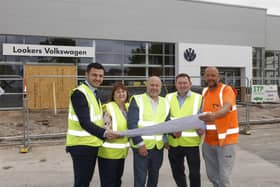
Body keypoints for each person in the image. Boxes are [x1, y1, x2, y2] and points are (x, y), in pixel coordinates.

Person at [65, 62, 119, 187]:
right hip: (81, 146)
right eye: (94, 75)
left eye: (101, 76)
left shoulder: (94, 93)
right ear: (86, 75)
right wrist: (105, 133)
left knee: (85, 180)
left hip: (90, 144)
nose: (98, 78)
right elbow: (85, 122)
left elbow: (96, 118)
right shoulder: (79, 93)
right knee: (82, 182)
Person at [199, 67, 239, 187]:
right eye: (208, 75)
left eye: (213, 75)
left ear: (218, 77)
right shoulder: (204, 92)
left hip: (226, 142)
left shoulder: (226, 90)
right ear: (204, 77)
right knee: (212, 176)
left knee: (224, 177)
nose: (210, 78)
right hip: (209, 142)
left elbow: (227, 107)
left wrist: (214, 116)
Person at [127, 76, 170, 187]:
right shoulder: (137, 99)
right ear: (147, 85)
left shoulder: (165, 102)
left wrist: (166, 139)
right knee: (140, 179)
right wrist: (140, 144)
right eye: (152, 85)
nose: (154, 88)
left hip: (158, 148)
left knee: (154, 178)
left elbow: (166, 123)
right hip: (142, 147)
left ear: (160, 87)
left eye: (157, 85)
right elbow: (132, 124)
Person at [165, 73, 203, 187]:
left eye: (185, 83)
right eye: (180, 83)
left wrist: (202, 127)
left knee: (194, 174)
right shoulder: (168, 98)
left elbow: (203, 116)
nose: (182, 85)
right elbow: (164, 118)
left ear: (190, 84)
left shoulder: (199, 97)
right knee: (177, 173)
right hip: (174, 142)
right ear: (175, 84)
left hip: (191, 143)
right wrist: (165, 137)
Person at [98, 82, 130, 187]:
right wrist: (119, 134)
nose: (121, 94)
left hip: (121, 153)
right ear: (113, 95)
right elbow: (105, 128)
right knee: (109, 183)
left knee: (117, 181)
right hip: (108, 153)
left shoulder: (128, 108)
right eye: (118, 92)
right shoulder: (107, 108)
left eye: (123, 91)